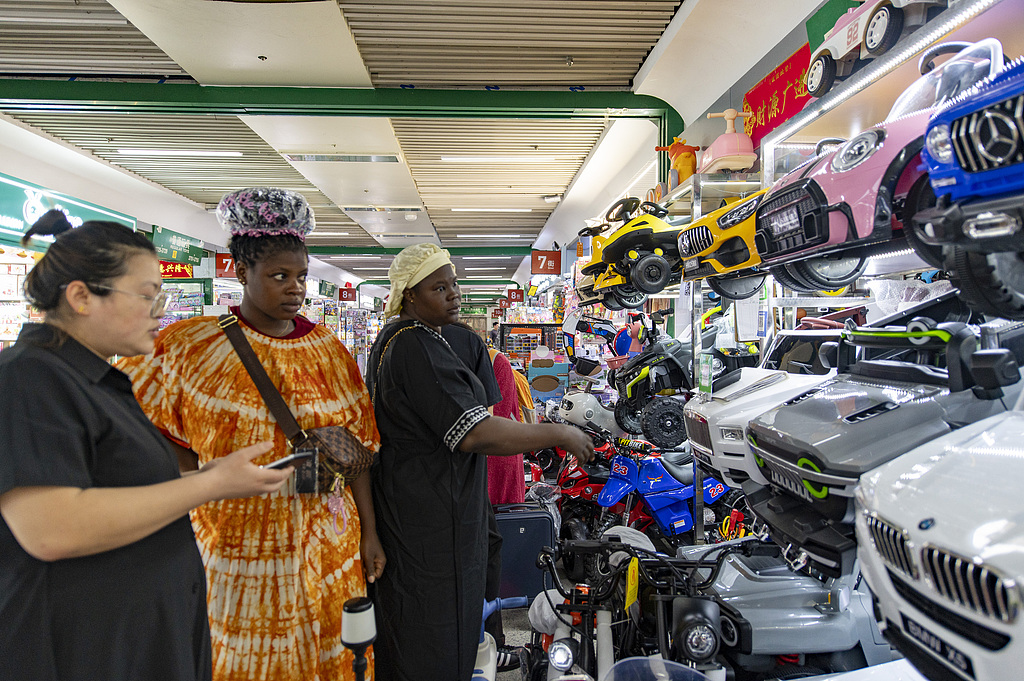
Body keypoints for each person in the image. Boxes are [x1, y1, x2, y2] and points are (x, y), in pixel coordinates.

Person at [0, 210, 293, 681]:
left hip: (137, 638)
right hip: (81, 647)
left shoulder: (96, 379)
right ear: (80, 297)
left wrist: (206, 476)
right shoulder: (30, 377)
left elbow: (113, 486)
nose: (159, 310)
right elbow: (51, 528)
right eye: (146, 296)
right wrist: (208, 486)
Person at [119, 188, 382, 681]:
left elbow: (360, 453)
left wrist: (370, 533)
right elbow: (149, 436)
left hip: (329, 550)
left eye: (301, 276)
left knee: (332, 661)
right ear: (241, 272)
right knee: (239, 662)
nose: (295, 288)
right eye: (279, 276)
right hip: (235, 550)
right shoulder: (190, 346)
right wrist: (193, 495)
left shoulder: (328, 349)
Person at [366, 243, 595, 681]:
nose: (453, 295)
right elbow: (476, 431)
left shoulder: (400, 341)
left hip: (418, 514)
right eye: (439, 287)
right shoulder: (414, 346)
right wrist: (559, 432)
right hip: (430, 526)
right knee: (433, 638)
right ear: (409, 295)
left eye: (454, 285)